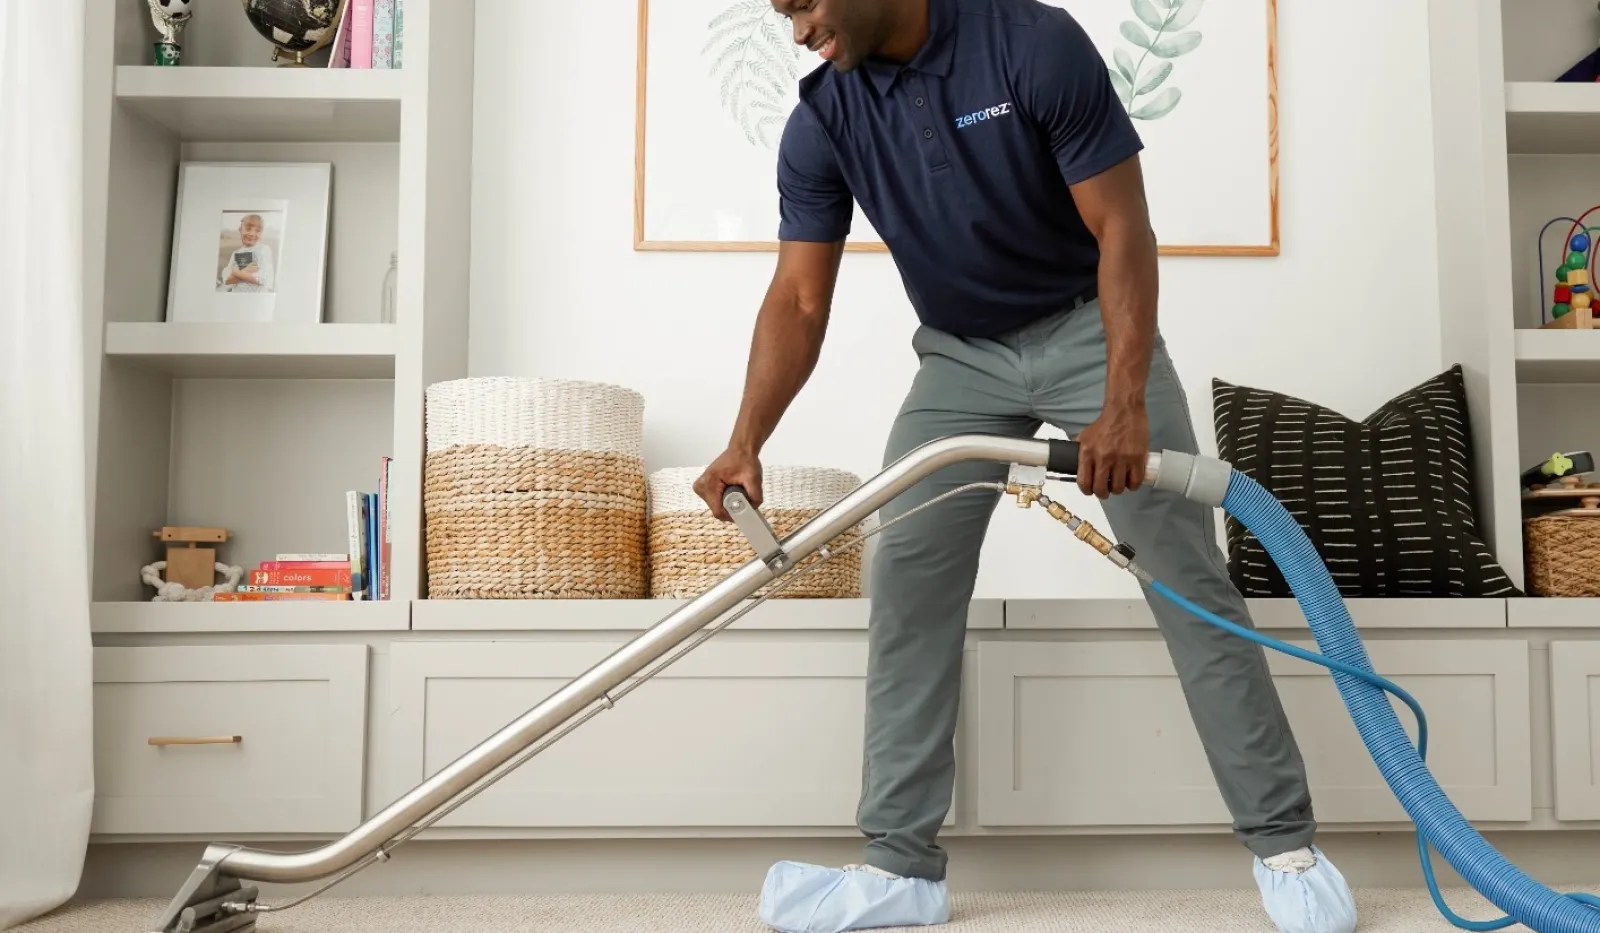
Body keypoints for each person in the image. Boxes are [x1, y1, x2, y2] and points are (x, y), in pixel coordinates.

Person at [691, 2, 1359, 932]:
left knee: (1184, 573)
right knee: (912, 578)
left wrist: (1124, 402)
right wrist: (744, 438)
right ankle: (901, 866)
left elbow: (1123, 229)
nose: (796, 32)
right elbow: (800, 298)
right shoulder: (824, 121)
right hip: (961, 358)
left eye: (802, 3)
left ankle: (1284, 842)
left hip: (1092, 328)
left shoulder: (1031, 45)